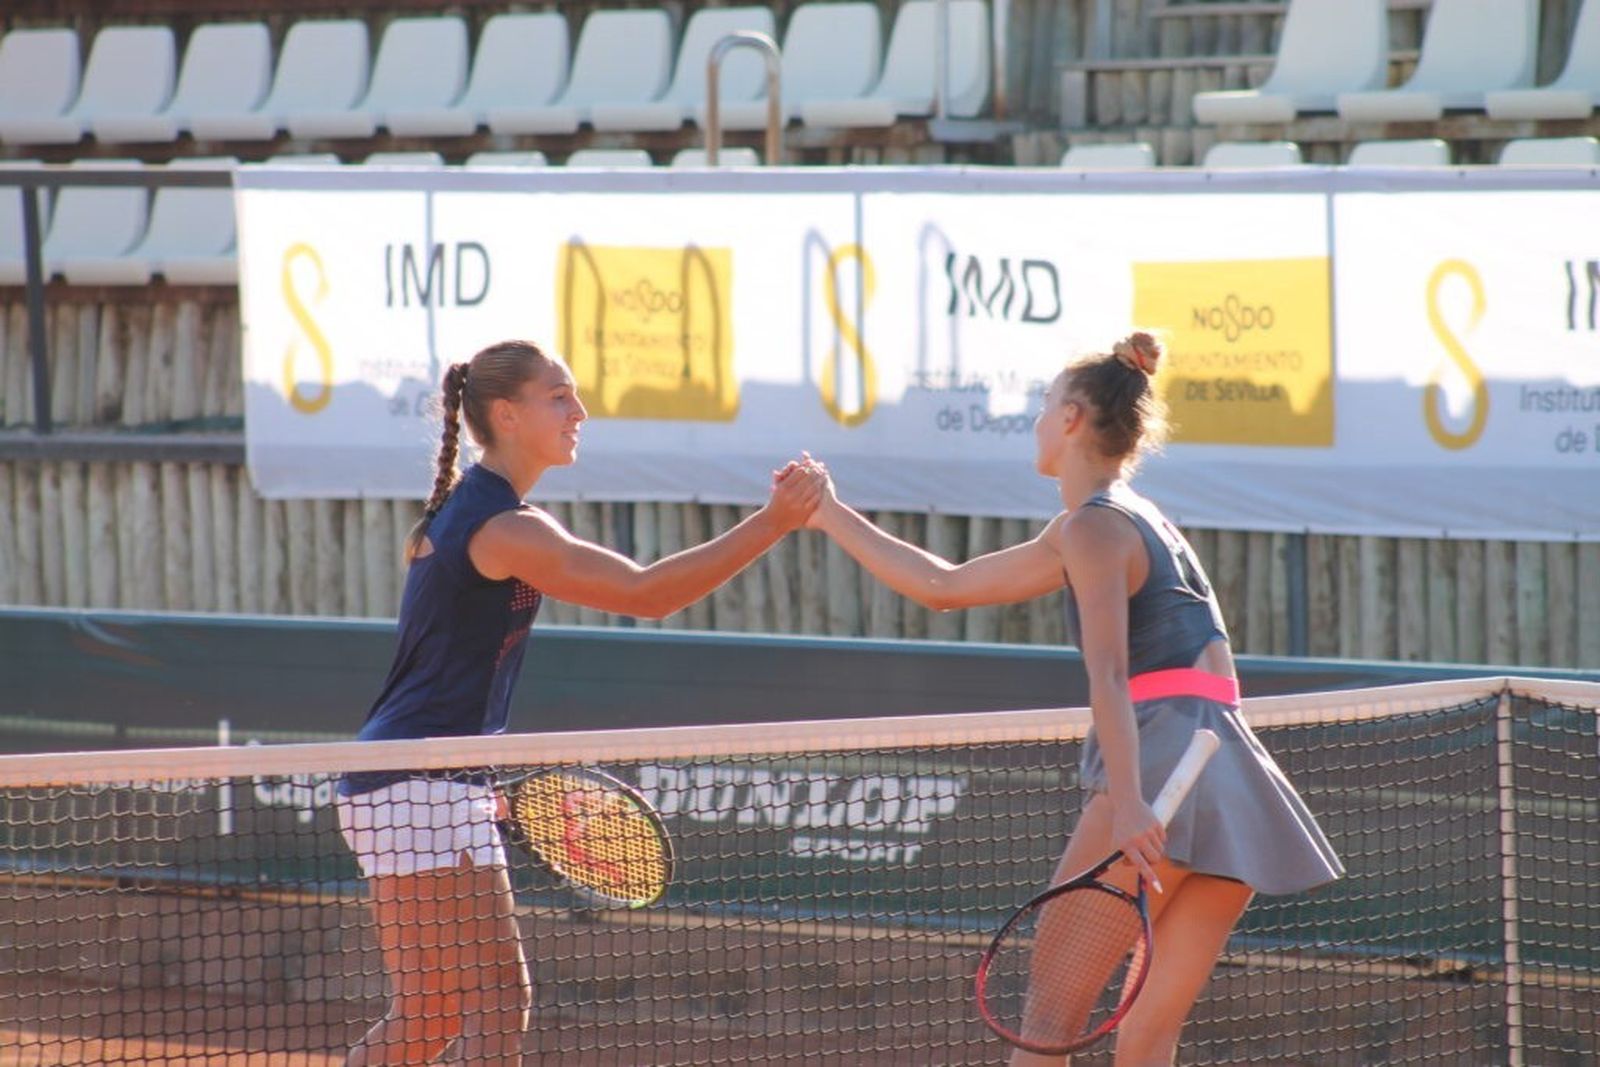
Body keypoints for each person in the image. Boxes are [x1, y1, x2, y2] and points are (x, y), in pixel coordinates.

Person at [804, 332, 1342, 1066]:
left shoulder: (1092, 525)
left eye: (1044, 405)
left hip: (1158, 770)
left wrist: (1128, 802)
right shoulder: (1132, 521)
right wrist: (828, 512)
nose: (1035, 420)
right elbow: (944, 587)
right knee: (1149, 1037)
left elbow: (1111, 674)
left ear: (1074, 419)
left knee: (1047, 1026)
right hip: (1233, 784)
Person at [333, 339, 824, 1066]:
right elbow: (646, 592)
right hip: (418, 780)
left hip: (404, 778)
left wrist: (471, 777)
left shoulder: (474, 510)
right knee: (498, 1002)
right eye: (559, 395)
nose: (579, 410)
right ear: (507, 413)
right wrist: (773, 522)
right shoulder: (504, 526)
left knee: (430, 1014)